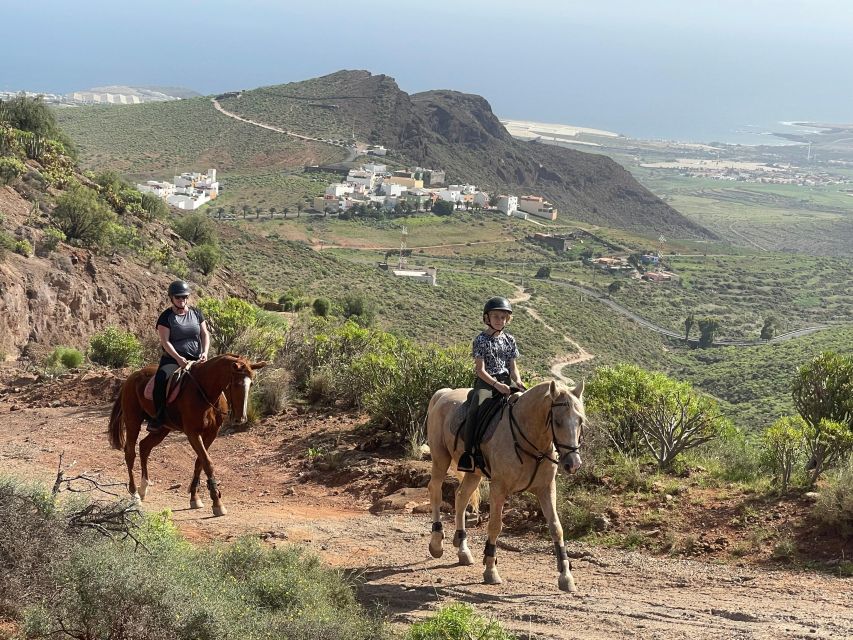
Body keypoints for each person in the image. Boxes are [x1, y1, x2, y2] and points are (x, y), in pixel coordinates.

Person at [457, 296, 525, 472]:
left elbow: (513, 367)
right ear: (487, 318)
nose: (500, 320)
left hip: (506, 380)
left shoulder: (509, 340)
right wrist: (496, 385)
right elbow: (480, 370)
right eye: (496, 317)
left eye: (503, 317)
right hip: (487, 383)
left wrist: (517, 380)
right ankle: (468, 454)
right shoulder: (481, 340)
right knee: (476, 406)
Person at [147, 280, 210, 433]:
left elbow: (204, 334)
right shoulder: (166, 317)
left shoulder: (196, 313)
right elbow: (165, 341)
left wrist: (205, 352)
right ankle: (158, 417)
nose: (182, 300)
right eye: (178, 298)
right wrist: (178, 358)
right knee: (161, 380)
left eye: (184, 297)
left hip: (197, 358)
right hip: (173, 360)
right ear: (172, 298)